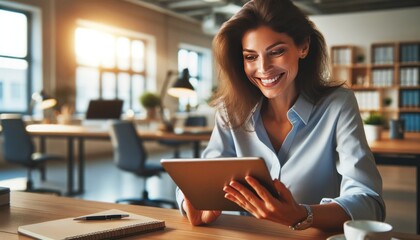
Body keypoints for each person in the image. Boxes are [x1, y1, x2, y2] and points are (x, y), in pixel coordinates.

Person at [176, 0, 385, 231]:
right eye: (251, 57)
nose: (263, 68)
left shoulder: (337, 105)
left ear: (303, 46)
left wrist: (304, 215)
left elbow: (370, 202)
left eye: (276, 52)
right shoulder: (230, 110)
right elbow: (201, 180)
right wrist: (191, 204)